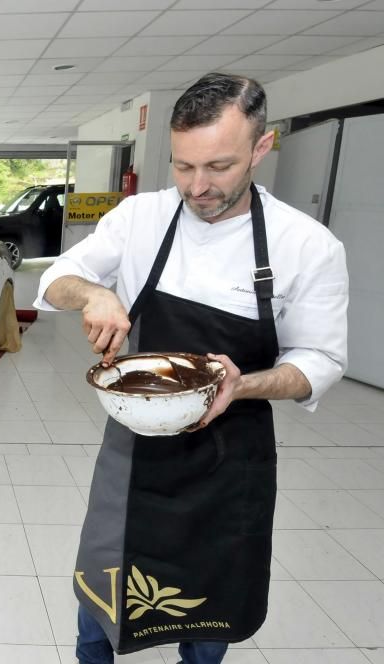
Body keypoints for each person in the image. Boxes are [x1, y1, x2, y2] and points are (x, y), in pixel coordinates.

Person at [34, 72, 349, 664]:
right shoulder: (141, 219)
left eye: (219, 167)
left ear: (261, 147)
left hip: (231, 466)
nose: (198, 187)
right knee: (101, 605)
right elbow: (56, 277)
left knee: (210, 619)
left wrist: (245, 383)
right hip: (134, 459)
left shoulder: (305, 246)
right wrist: (94, 295)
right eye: (183, 167)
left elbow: (321, 361)